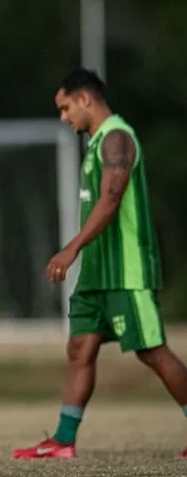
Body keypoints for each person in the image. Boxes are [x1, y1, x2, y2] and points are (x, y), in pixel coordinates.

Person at [13, 69, 187, 459]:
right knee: (80, 348)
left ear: (86, 99)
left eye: (65, 107)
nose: (63, 117)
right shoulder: (95, 145)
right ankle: (62, 441)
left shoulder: (117, 139)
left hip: (127, 270)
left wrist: (71, 246)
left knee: (152, 350)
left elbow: (111, 199)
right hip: (96, 272)